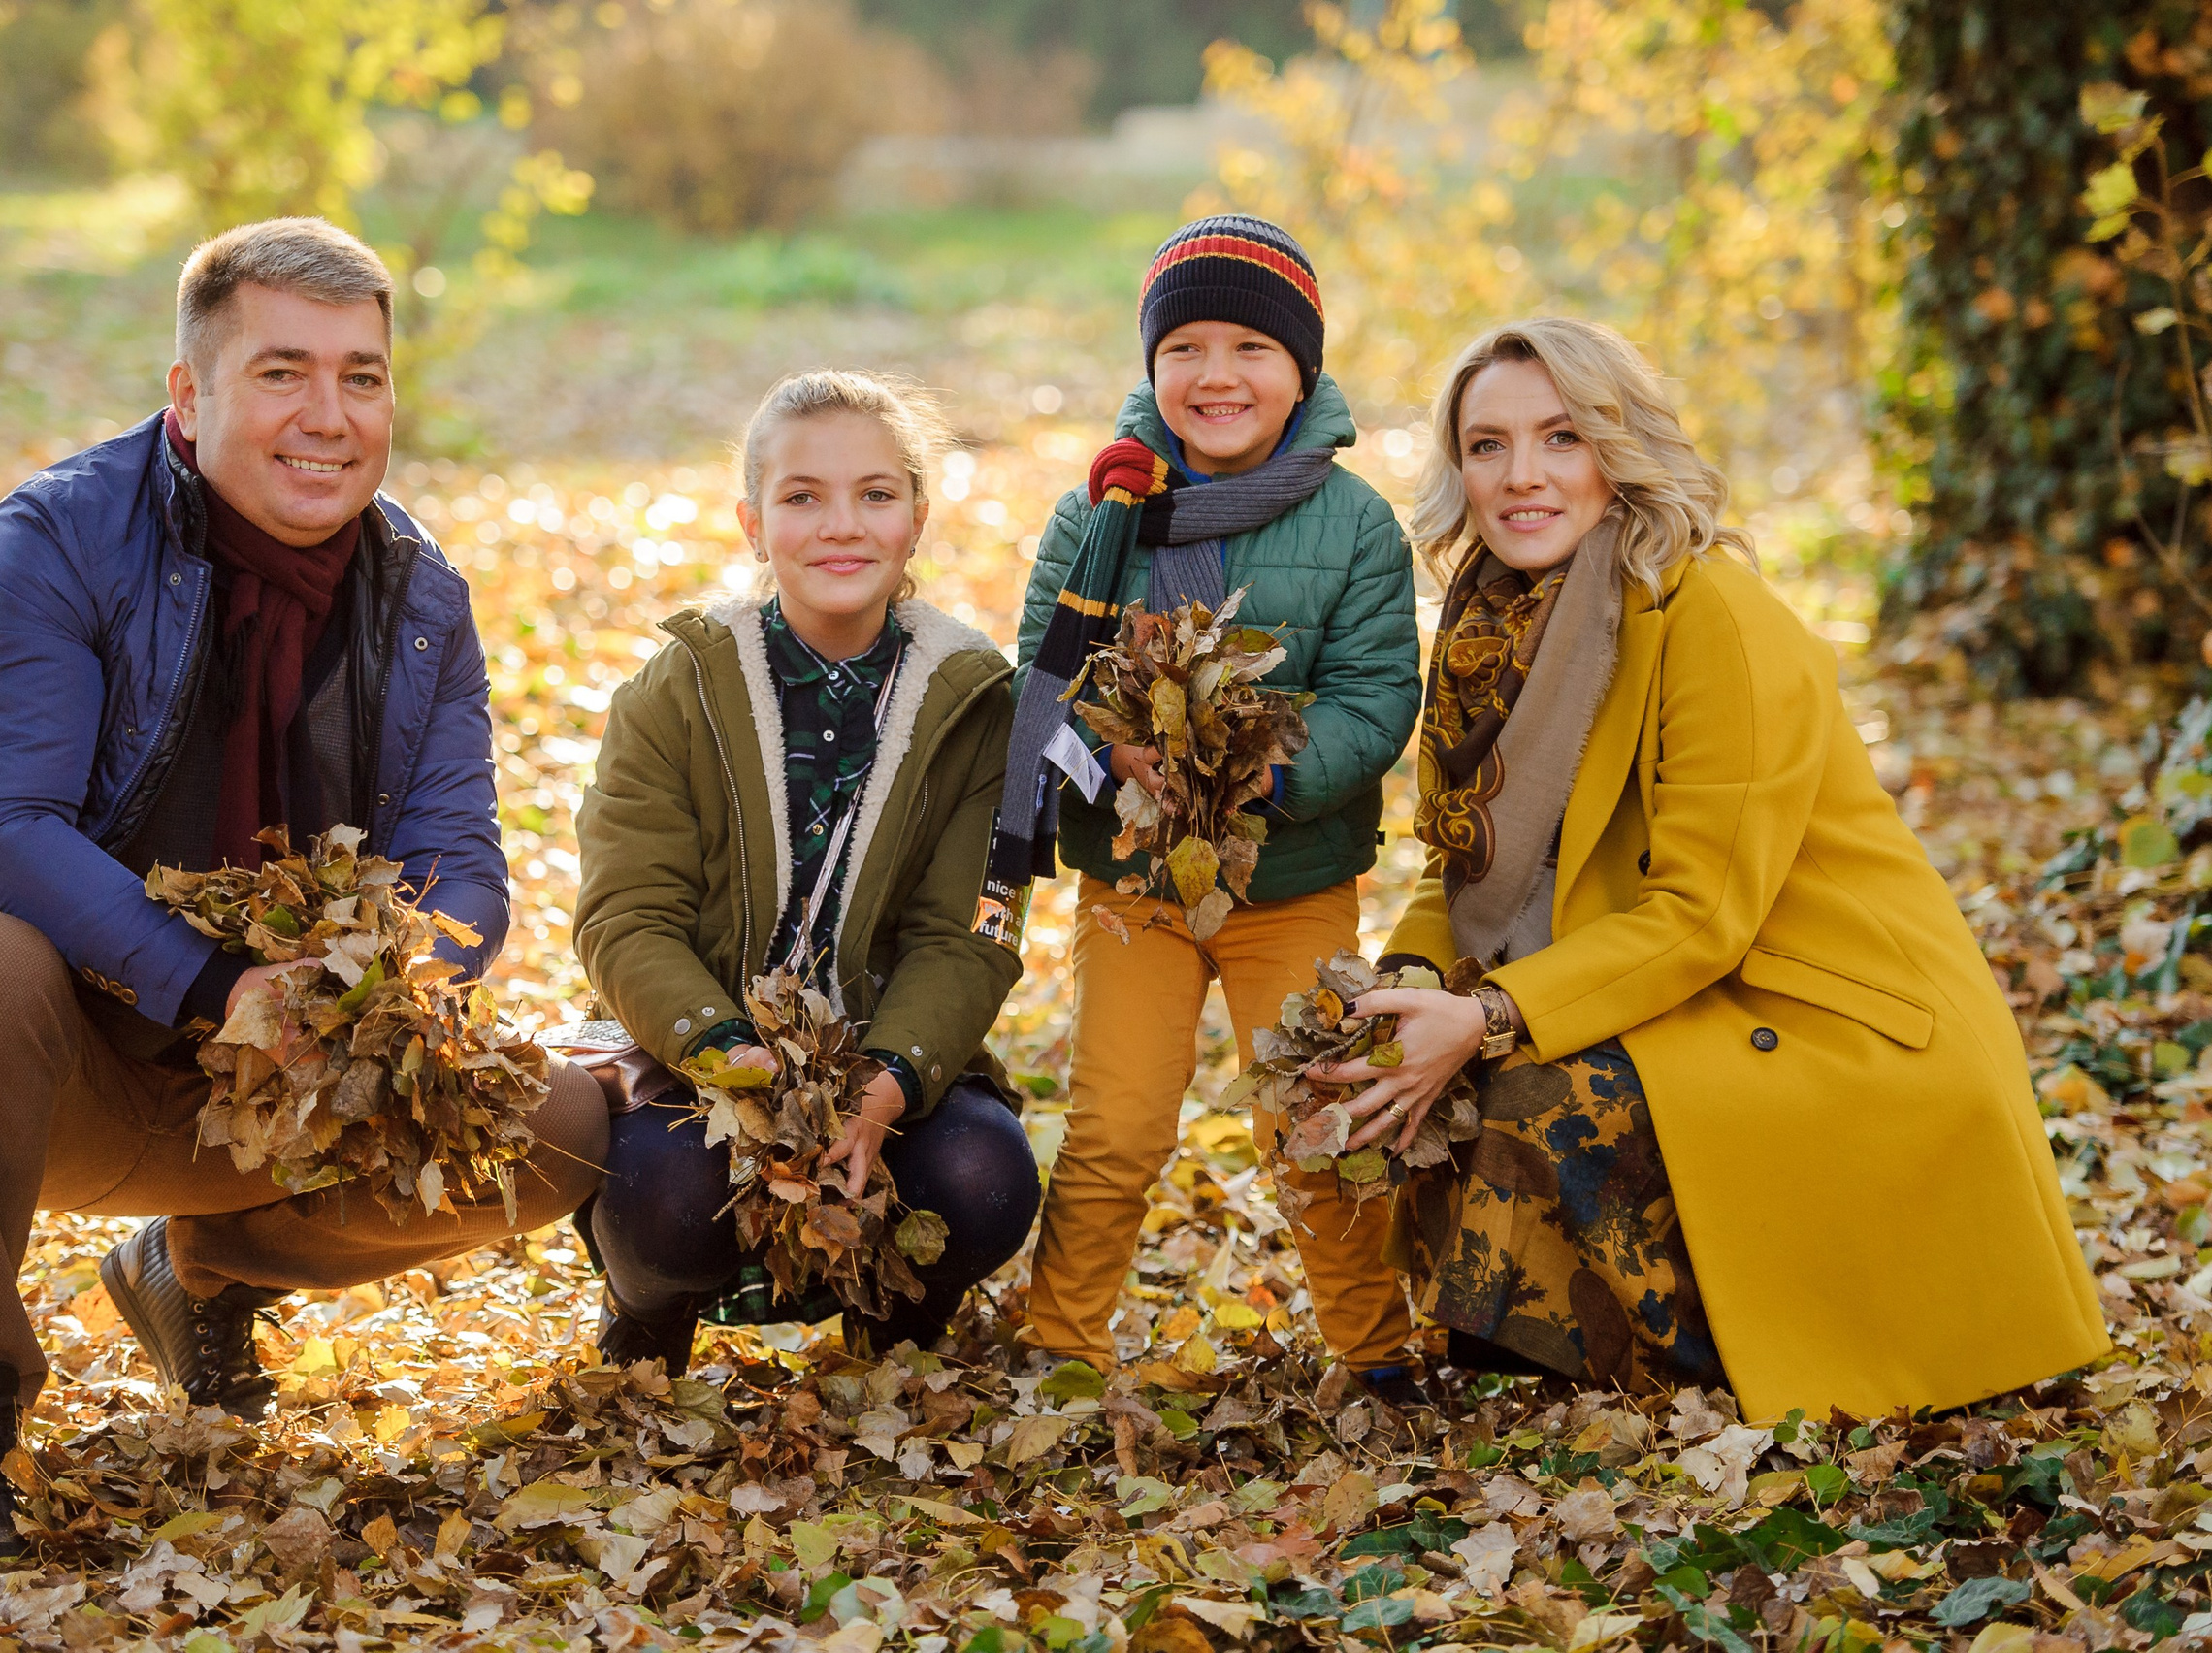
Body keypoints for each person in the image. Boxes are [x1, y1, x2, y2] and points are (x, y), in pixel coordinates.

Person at [0, 218, 608, 1566]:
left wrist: (373, 997)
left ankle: (200, 1272)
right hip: (64, 1063)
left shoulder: (419, 593)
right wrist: (216, 986)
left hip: (288, 1080)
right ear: (190, 395)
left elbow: (463, 862)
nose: (331, 416)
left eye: (362, 376)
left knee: (572, 1127)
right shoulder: (53, 540)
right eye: (283, 372)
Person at [1316, 315, 2107, 1417]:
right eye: (1487, 445)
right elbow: (1455, 867)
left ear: (1620, 449)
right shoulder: (1491, 625)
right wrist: (1407, 982)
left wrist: (1489, 1016)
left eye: (1561, 438)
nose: (1521, 476)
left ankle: (1702, 1373)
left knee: (1534, 1096)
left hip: (1817, 1009)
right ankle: (1533, 1358)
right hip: (1654, 979)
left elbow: (1701, 917)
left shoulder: (1713, 619)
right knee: (1379, 1089)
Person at [995, 215, 1425, 1392]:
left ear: (1303, 370)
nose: (1217, 375)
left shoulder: (1356, 524)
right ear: (1150, 368)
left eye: (1251, 346)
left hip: (1287, 883)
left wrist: (1263, 770)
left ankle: (1373, 1348)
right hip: (1134, 887)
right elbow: (1043, 675)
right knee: (1117, 1124)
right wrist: (1113, 747)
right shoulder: (1100, 515)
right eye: (1185, 346)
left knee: (1311, 1117)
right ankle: (1063, 1344)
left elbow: (1378, 691)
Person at [572, 370, 1041, 1374]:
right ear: (752, 522)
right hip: (704, 1058)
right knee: (669, 1205)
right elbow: (625, 919)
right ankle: (649, 1307)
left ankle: (897, 1320)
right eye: (801, 497)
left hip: (882, 1050)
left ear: (917, 518)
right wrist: (738, 1070)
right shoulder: (677, 690)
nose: (842, 526)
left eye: (876, 494)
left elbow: (968, 932)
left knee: (981, 1175)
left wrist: (884, 1088)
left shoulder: (973, 704)